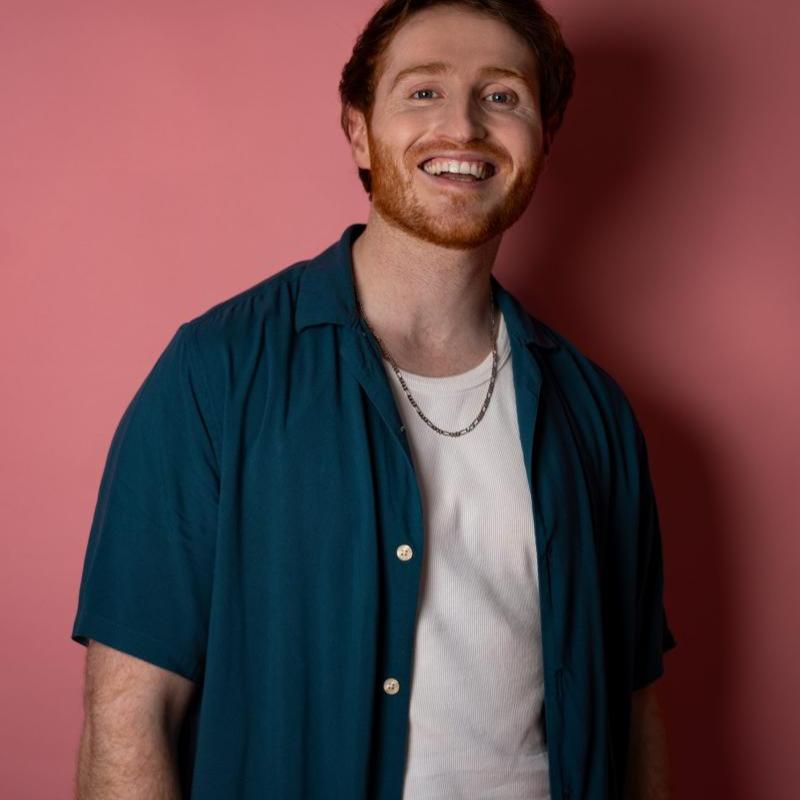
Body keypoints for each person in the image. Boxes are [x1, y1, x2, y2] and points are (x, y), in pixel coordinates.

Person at [71, 1, 677, 798]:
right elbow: (129, 719)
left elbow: (634, 719)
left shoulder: (595, 414)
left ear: (544, 137)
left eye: (503, 97)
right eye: (423, 92)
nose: (462, 127)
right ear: (358, 130)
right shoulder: (215, 372)